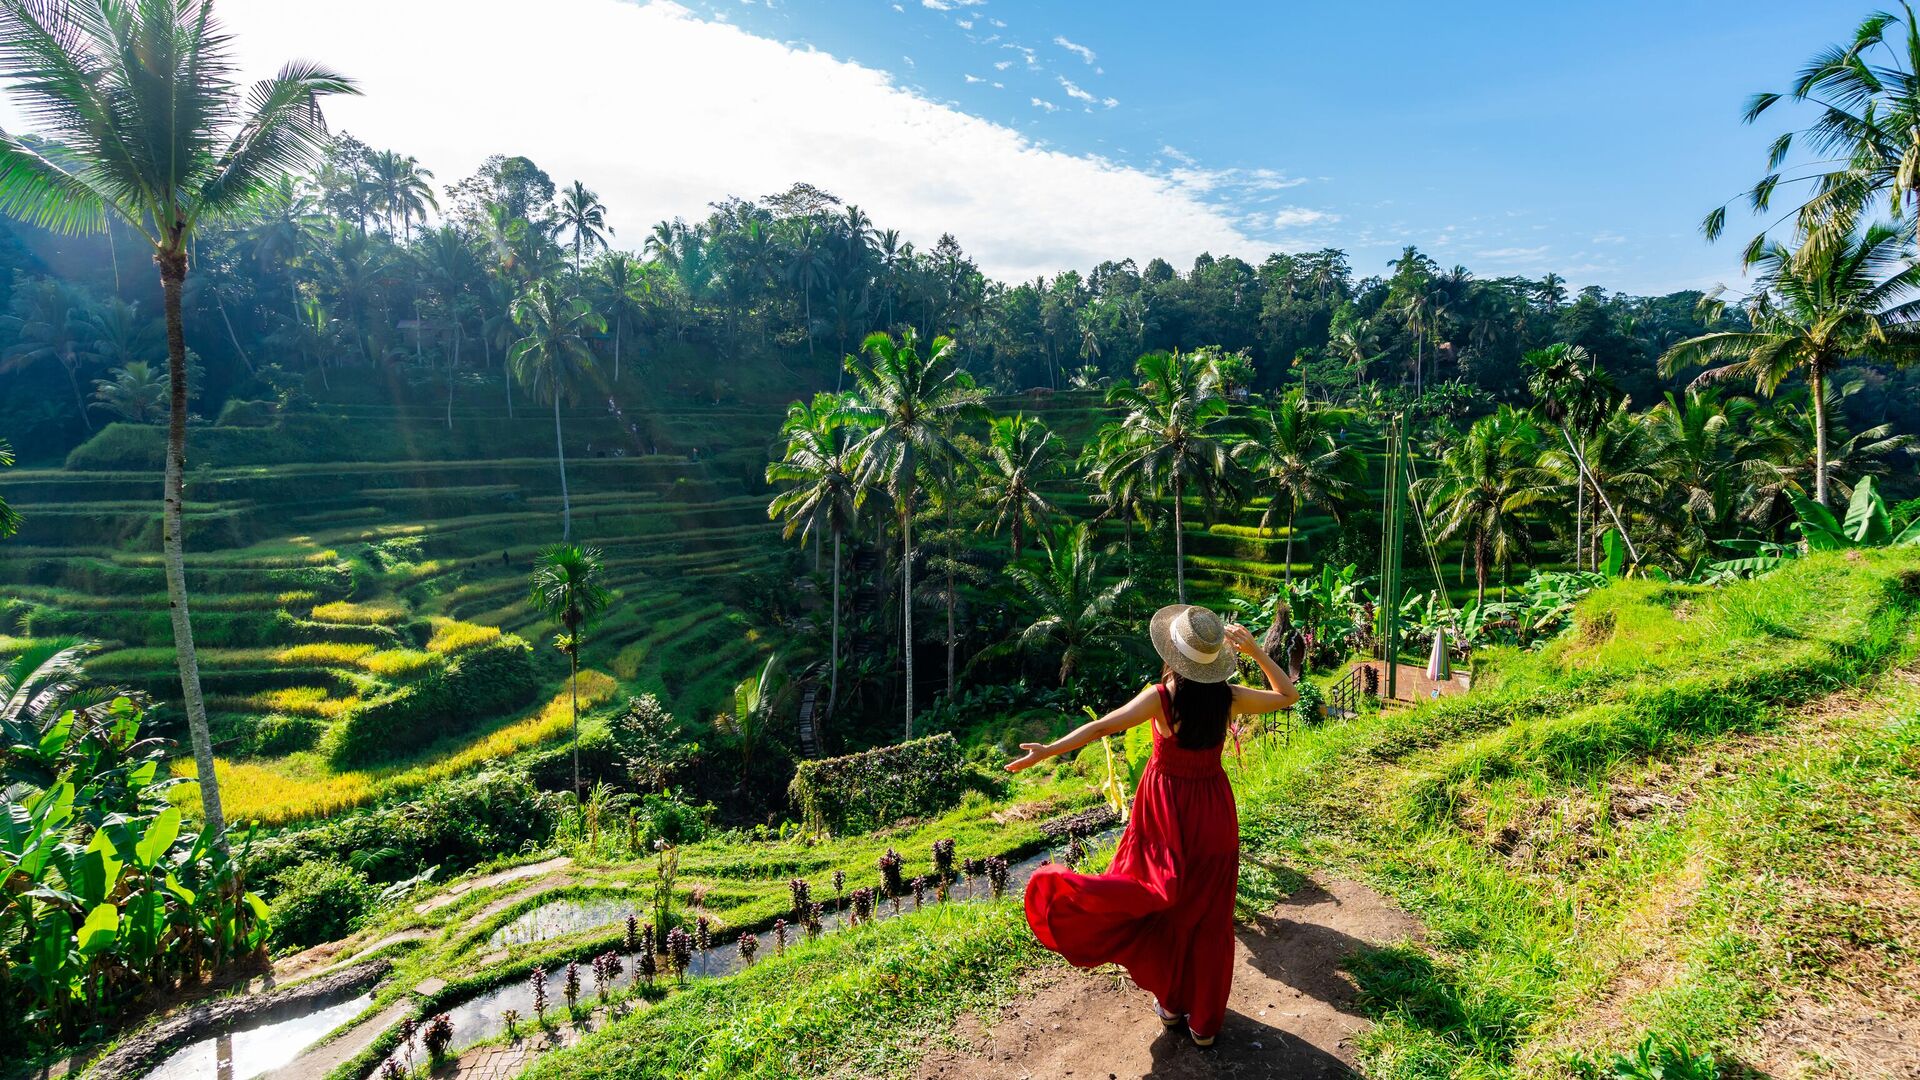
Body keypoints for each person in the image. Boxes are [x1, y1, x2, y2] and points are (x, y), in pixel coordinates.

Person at [1007, 604, 1297, 1047]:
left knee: (1163, 905)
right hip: (1214, 813)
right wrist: (1256, 651)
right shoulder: (1230, 697)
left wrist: (1047, 751)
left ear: (1173, 655)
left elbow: (1100, 727)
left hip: (1165, 814)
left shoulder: (1160, 697)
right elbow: (1287, 696)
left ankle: (1173, 1004)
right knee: (1209, 917)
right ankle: (1204, 1024)